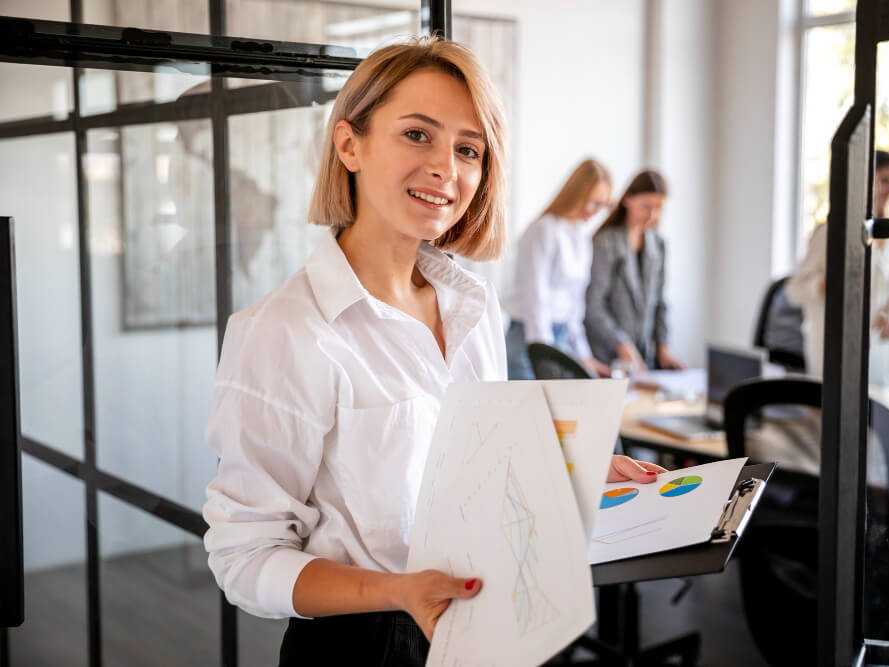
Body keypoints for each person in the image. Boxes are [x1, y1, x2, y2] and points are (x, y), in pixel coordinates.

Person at [201, 38, 666, 667]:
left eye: (468, 149)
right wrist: (396, 591)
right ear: (350, 145)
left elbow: (472, 467)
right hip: (365, 642)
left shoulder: (474, 308)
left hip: (485, 618)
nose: (447, 167)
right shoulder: (284, 331)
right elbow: (245, 560)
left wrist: (567, 464)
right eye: (418, 135)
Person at [786, 149, 889, 381]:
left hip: (876, 352)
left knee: (874, 409)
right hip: (833, 349)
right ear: (865, 180)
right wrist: (824, 284)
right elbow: (794, 290)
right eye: (884, 181)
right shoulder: (831, 233)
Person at [505, 158, 612, 379]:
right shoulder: (543, 230)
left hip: (560, 336)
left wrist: (584, 355)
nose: (595, 211)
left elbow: (575, 303)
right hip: (529, 336)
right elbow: (535, 298)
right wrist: (543, 354)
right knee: (532, 410)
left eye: (602, 205)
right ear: (577, 194)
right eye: (593, 202)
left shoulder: (582, 236)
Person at [584, 169, 685, 373]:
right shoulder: (604, 242)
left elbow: (660, 302)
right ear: (628, 200)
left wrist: (663, 347)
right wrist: (621, 343)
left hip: (643, 358)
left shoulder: (659, 245)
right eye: (646, 206)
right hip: (607, 357)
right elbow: (594, 306)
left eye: (658, 208)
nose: (652, 215)